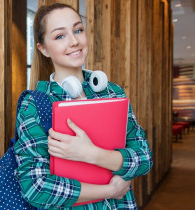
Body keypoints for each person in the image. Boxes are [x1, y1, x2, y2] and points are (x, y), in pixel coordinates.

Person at [14, 3, 153, 209]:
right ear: (43, 49)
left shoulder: (112, 92)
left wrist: (92, 154)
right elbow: (36, 187)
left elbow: (144, 158)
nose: (74, 41)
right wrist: (110, 190)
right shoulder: (34, 105)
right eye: (60, 36)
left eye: (78, 30)